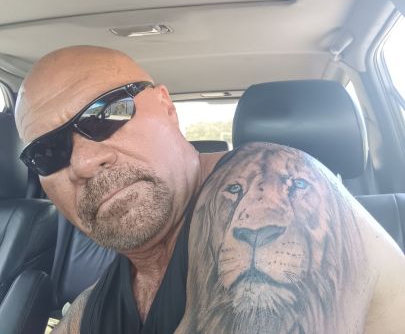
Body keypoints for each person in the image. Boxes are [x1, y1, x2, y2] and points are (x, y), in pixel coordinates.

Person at [15, 45, 405, 334]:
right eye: (48, 152)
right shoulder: (102, 300)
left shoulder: (277, 185)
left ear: (167, 107)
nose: (84, 162)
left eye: (106, 114)